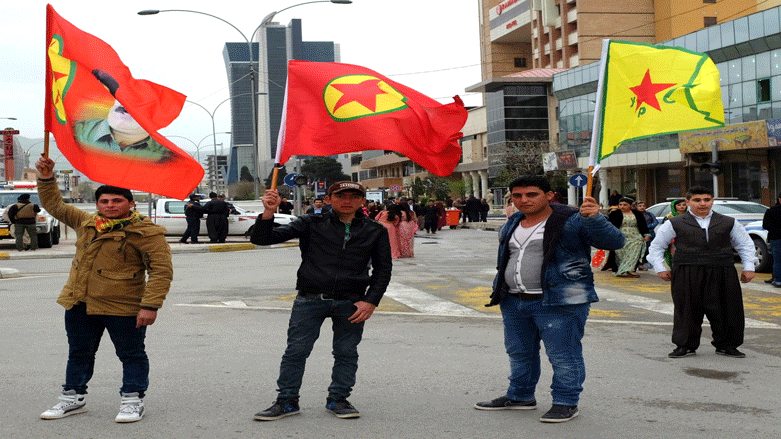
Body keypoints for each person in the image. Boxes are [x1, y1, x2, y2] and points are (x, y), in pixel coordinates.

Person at [474, 175, 624, 423]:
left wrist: (595, 218)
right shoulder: (514, 221)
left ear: (549, 196)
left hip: (559, 301)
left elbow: (614, 242)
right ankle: (520, 395)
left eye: (531, 194)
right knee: (519, 352)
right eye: (517, 195)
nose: (524, 200)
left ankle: (566, 402)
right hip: (514, 300)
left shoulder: (571, 219)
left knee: (563, 355)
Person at [35, 157, 173, 423]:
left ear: (130, 203)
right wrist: (46, 178)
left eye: (117, 201)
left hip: (124, 306)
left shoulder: (146, 232)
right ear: (97, 204)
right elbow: (54, 205)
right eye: (104, 201)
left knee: (131, 354)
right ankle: (73, 397)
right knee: (79, 353)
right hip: (80, 302)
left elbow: (161, 271)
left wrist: (150, 305)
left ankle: (132, 400)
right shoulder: (86, 222)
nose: (110, 205)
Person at [250, 181, 392, 421]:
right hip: (310, 299)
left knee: (346, 352)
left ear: (362, 201)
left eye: (353, 196)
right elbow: (262, 239)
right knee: (296, 351)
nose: (347, 201)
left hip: (351, 302)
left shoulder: (374, 230)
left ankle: (339, 399)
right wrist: (268, 213)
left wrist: (371, 301)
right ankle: (286, 400)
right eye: (340, 196)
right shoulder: (310, 223)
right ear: (328, 199)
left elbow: (383, 270)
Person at [648, 186, 756, 359]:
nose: (702, 203)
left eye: (707, 199)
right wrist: (660, 268)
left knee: (727, 308)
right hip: (687, 271)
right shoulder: (674, 223)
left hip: (722, 270)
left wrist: (749, 267)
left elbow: (745, 245)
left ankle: (727, 345)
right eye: (697, 200)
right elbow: (656, 247)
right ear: (688, 202)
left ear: (712, 201)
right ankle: (685, 345)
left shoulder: (728, 222)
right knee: (687, 309)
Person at [604, 197, 650, 277]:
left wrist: (646, 235)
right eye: (620, 205)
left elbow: (643, 225)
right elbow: (608, 225)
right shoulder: (614, 214)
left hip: (635, 236)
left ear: (630, 205)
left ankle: (630, 270)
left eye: (625, 205)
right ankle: (621, 270)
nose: (622, 206)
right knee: (620, 254)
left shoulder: (637, 214)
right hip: (619, 236)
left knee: (634, 253)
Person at [762, 194, 781, 287]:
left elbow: (765, 225)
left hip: (775, 238)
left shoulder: (771, 211)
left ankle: (777, 280)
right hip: (775, 238)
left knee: (777, 260)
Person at [662, 199, 687, 268]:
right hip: (673, 239)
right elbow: (665, 229)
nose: (682, 206)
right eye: (679, 205)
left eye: (684, 205)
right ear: (674, 206)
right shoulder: (669, 216)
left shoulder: (689, 216)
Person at [635, 201, 659, 271]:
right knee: (639, 250)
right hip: (638, 234)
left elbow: (655, 222)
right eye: (640, 206)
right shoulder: (634, 214)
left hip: (650, 233)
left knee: (647, 250)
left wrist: (647, 227)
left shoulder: (649, 214)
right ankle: (638, 264)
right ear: (636, 207)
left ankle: (644, 264)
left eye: (643, 206)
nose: (642, 207)